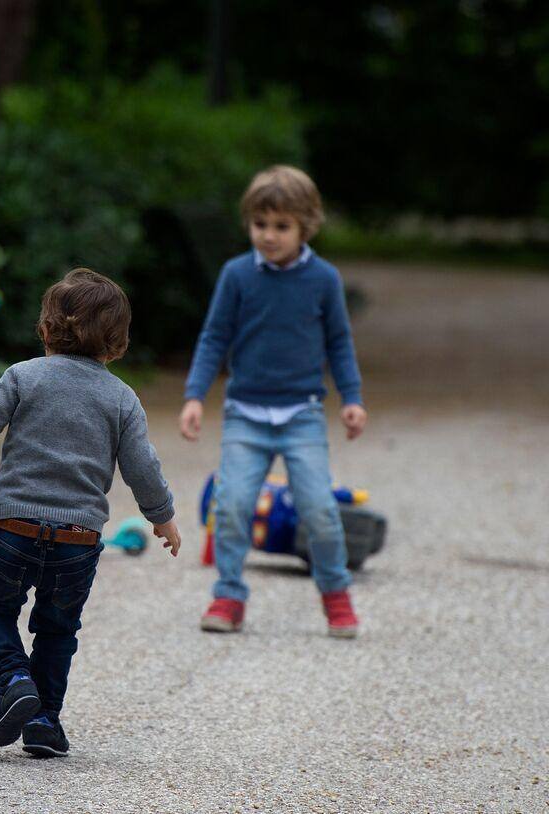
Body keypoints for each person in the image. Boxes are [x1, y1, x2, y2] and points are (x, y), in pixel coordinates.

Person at [0, 268, 181, 758]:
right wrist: (162, 515)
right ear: (117, 345)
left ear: (46, 330)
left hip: (13, 527)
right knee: (57, 628)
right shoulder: (122, 398)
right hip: (78, 537)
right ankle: (45, 722)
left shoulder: (23, 377)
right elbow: (143, 466)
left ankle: (14, 681)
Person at [179, 165, 367, 638]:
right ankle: (228, 594)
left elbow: (339, 343)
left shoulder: (323, 279)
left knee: (320, 510)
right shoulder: (237, 275)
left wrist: (352, 398)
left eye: (281, 226)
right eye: (260, 225)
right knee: (233, 504)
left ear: (306, 226)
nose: (269, 235)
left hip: (302, 413)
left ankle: (335, 593)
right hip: (246, 415)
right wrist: (194, 397)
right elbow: (214, 337)